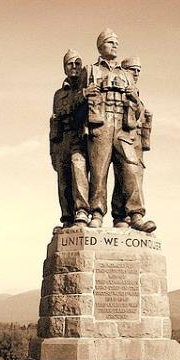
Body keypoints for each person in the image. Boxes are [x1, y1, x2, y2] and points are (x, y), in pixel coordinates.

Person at [77, 29, 155, 232]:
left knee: (130, 169)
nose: (115, 45)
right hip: (100, 126)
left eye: (117, 42)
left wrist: (134, 98)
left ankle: (135, 214)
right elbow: (76, 105)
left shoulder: (126, 75)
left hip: (123, 128)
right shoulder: (90, 71)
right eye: (111, 42)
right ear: (101, 45)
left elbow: (139, 111)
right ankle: (96, 213)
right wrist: (85, 94)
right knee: (99, 172)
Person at [110, 56, 155, 232]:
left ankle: (122, 216)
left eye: (138, 70)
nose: (135, 73)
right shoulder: (119, 92)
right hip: (121, 136)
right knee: (130, 172)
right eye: (132, 69)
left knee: (129, 177)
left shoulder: (136, 93)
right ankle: (136, 214)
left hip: (135, 141)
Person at [49, 49, 90, 230]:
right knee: (63, 179)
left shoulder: (86, 88)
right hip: (61, 139)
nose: (74, 67)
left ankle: (82, 211)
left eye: (77, 63)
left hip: (78, 137)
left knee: (78, 166)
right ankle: (67, 218)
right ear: (65, 68)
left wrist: (83, 95)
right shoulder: (58, 94)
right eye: (70, 64)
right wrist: (52, 149)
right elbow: (56, 118)